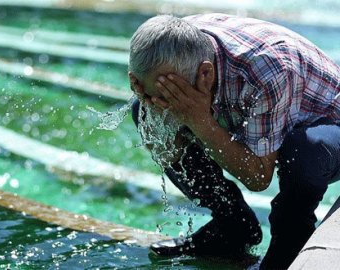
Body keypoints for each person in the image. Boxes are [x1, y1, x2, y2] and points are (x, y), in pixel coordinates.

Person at [128, 13, 340, 270]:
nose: (162, 104)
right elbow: (170, 155)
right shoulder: (168, 46)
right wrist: (155, 111)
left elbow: (258, 178)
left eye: (172, 97)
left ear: (205, 74)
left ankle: (289, 248)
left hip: (328, 126)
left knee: (304, 150)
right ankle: (234, 227)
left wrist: (200, 121)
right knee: (142, 111)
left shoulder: (267, 69)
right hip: (256, 106)